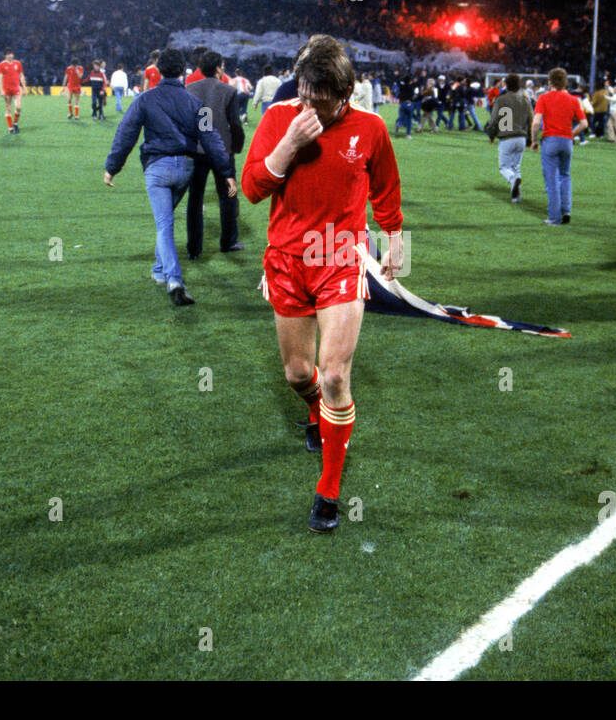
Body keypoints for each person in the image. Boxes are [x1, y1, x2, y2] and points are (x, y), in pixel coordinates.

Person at [240, 35, 404, 533]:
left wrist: (395, 235)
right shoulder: (277, 119)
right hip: (287, 259)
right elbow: (250, 189)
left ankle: (328, 490)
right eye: (305, 92)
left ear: (345, 92)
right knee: (298, 374)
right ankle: (314, 411)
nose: (310, 103)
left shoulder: (370, 128)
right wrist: (290, 143)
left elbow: (386, 187)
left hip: (340, 257)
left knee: (334, 375)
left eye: (321, 98)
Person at [104, 48, 236, 307]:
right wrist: (226, 172)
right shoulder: (197, 104)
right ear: (183, 70)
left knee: (165, 224)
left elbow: (126, 133)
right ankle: (158, 270)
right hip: (185, 167)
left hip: (158, 168)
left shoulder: (145, 99)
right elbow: (212, 139)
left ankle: (174, 279)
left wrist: (112, 166)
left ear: (158, 69)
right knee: (163, 222)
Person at [185, 51, 245, 257]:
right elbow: (235, 125)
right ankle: (228, 242)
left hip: (197, 150)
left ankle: (194, 248)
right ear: (219, 68)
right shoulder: (228, 91)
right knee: (228, 196)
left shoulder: (189, 89)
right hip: (222, 151)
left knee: (195, 198)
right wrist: (236, 147)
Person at [530, 67, 587, 225]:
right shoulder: (574, 100)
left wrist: (534, 140)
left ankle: (554, 217)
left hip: (550, 140)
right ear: (565, 82)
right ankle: (566, 211)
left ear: (550, 82)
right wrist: (572, 134)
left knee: (551, 180)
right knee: (565, 176)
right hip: (567, 141)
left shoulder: (544, 98)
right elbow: (584, 123)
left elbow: (536, 123)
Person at [486, 72, 533, 203]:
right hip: (521, 138)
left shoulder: (501, 100)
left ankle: (513, 180)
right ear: (519, 86)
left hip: (506, 137)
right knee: (516, 167)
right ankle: (516, 197)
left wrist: (491, 135)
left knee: (504, 168)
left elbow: (494, 120)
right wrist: (531, 139)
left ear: (506, 85)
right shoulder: (525, 100)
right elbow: (531, 120)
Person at [0, 50, 27, 134]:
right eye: (8, 54)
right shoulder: (1, 65)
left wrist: (24, 87)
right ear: (5, 56)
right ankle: (10, 128)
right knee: (8, 108)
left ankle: (15, 123)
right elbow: (0, 78)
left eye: (11, 54)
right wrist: (1, 89)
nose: (10, 55)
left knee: (18, 107)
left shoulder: (18, 63)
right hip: (6, 89)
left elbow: (21, 75)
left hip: (16, 88)